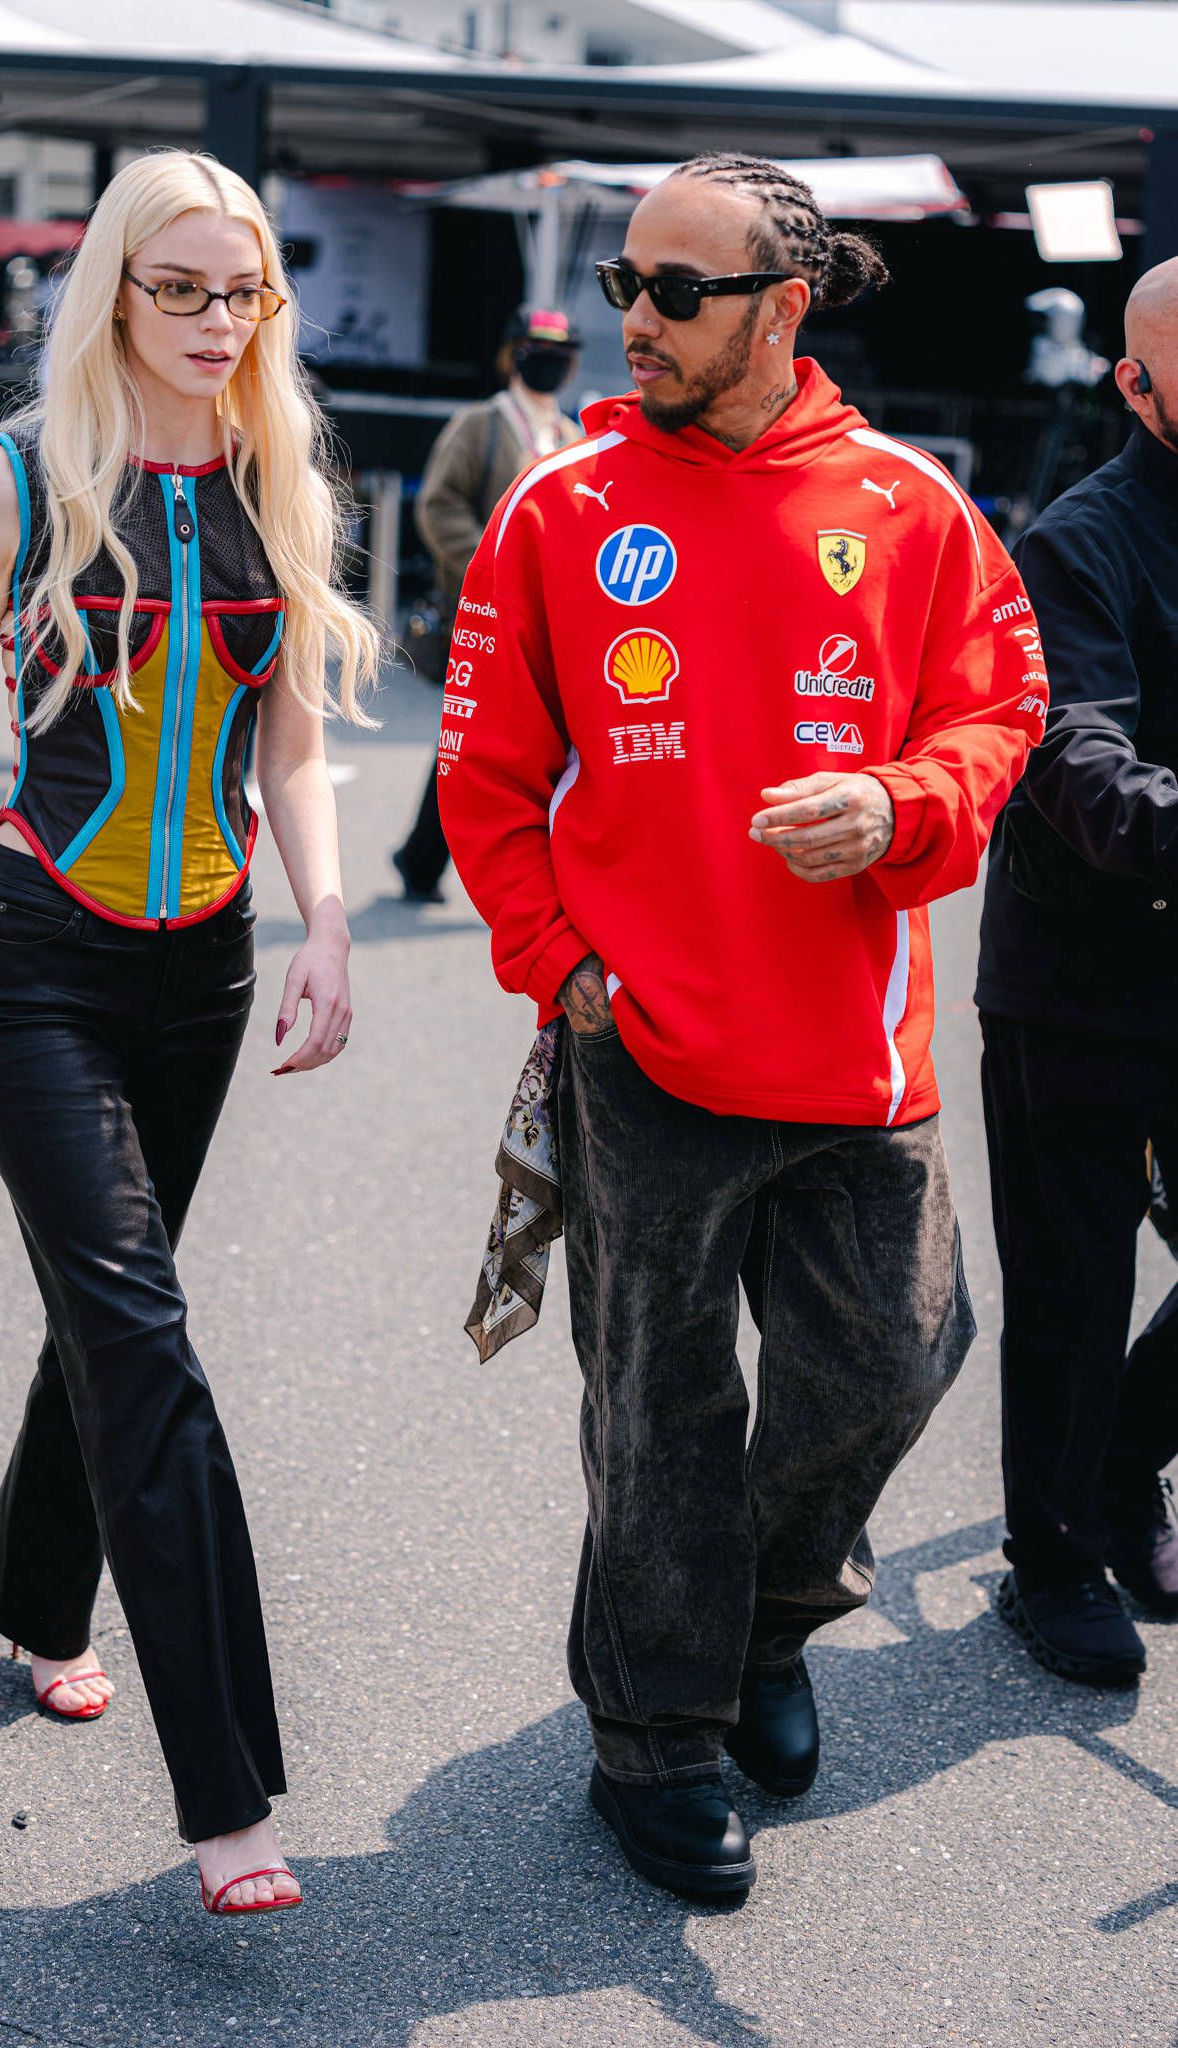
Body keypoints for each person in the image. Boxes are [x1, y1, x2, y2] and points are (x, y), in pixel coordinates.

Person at [439, 152, 1046, 1899]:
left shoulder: (913, 504)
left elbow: (997, 710)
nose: (635, 316)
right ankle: (657, 1739)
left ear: (784, 304)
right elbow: (486, 779)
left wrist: (907, 800)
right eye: (629, 282)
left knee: (893, 1362)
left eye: (675, 291)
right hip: (644, 1052)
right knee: (662, 1419)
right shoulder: (557, 510)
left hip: (861, 1058)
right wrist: (559, 963)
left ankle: (763, 1624)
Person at [0, 149, 378, 1916]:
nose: (224, 323)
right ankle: (229, 1795)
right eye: (187, 288)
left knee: (101, 1315)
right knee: (145, 1333)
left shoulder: (285, 469)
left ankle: (40, 1600)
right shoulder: (12, 481)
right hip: (36, 956)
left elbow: (290, 744)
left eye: (249, 292)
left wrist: (330, 917)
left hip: (201, 965)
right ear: (115, 288)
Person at [976, 256, 1178, 1685]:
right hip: (1080, 977)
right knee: (1071, 1285)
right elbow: (1087, 776)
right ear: (1135, 381)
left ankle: (1114, 1474)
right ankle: (1050, 1564)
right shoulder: (1075, 541)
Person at [392, 305, 581, 903]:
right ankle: (424, 858)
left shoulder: (575, 435)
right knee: (471, 744)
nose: (546, 361)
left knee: (508, 746)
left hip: (554, 621)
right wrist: (494, 567)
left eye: (559, 352)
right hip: (488, 613)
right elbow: (439, 506)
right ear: (511, 353)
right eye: (535, 348)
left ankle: (431, 859)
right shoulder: (483, 424)